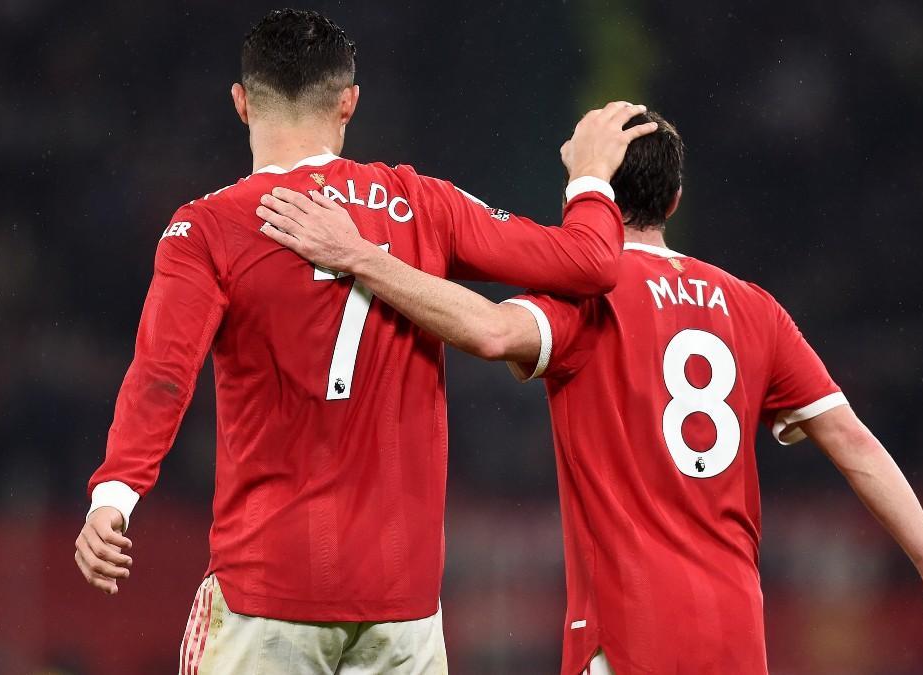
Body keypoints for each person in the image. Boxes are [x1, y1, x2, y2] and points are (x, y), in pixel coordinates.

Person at [258, 111, 923, 674]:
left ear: (592, 193)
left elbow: (483, 329)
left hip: (629, 636)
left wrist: (356, 255)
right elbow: (854, 441)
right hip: (735, 637)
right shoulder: (753, 308)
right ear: (673, 197)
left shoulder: (589, 298)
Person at [72, 8, 656, 673]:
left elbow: (162, 374)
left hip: (270, 588)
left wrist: (113, 497)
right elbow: (589, 263)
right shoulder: (420, 203)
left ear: (240, 103)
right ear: (348, 102)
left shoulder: (209, 227)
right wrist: (589, 177)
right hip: (401, 602)